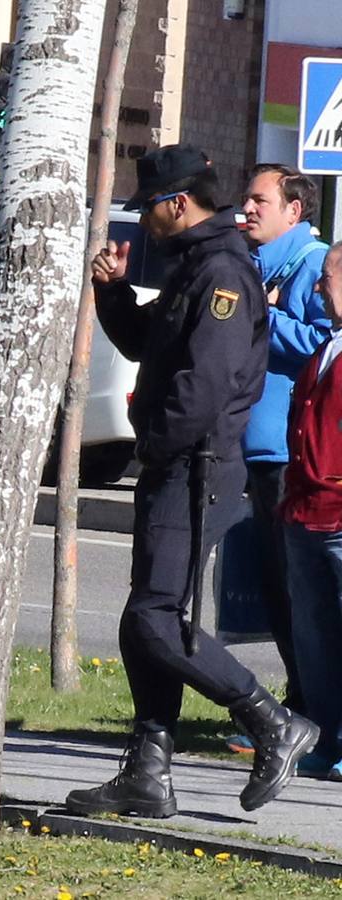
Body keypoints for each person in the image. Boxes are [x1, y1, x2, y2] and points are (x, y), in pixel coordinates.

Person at [66, 144, 318, 818]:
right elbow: (151, 344)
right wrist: (112, 293)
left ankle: (272, 722)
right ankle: (148, 773)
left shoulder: (224, 272)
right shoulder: (197, 264)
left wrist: (154, 438)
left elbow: (204, 387)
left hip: (197, 467)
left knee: (154, 618)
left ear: (179, 202)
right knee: (142, 620)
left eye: (149, 207)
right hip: (176, 465)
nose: (143, 220)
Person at [232, 164, 330, 739]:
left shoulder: (315, 266)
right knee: (275, 586)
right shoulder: (256, 265)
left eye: (259, 199)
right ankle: (298, 702)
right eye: (246, 198)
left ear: (294, 210)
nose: (248, 208)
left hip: (291, 456)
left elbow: (327, 343)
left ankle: (307, 710)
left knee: (299, 591)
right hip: (259, 451)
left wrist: (262, 314)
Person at [278, 241, 342, 781]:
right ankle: (323, 739)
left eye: (328, 276)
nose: (319, 287)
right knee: (315, 639)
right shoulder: (325, 348)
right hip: (304, 513)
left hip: (339, 514)